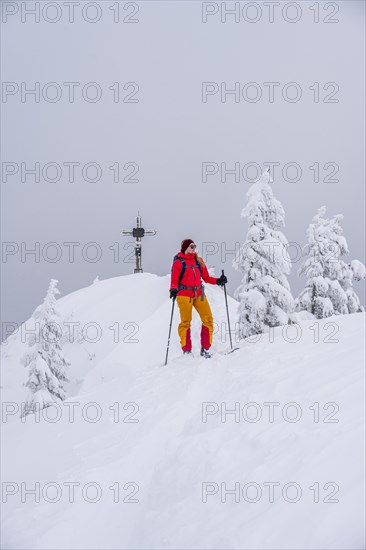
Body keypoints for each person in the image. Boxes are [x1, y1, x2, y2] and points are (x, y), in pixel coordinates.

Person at [169, 239, 227, 358]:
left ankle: (205, 348)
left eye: (194, 246)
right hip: (184, 294)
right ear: (185, 248)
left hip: (199, 293)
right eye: (191, 246)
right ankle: (187, 350)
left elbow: (206, 278)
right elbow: (174, 279)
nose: (193, 248)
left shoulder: (198, 261)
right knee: (186, 322)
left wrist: (218, 281)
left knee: (208, 319)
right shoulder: (179, 262)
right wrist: (173, 289)